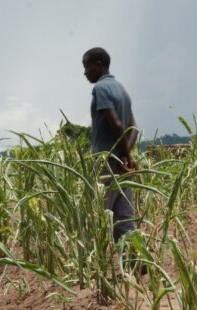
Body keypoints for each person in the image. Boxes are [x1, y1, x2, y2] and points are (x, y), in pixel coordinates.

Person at [82, 47, 138, 242]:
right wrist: (126, 156)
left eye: (87, 67)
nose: (85, 73)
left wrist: (126, 156)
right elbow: (134, 129)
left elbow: (117, 124)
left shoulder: (100, 89)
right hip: (121, 163)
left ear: (99, 65)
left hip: (105, 162)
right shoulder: (122, 90)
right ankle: (135, 261)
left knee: (98, 214)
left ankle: (94, 266)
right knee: (125, 216)